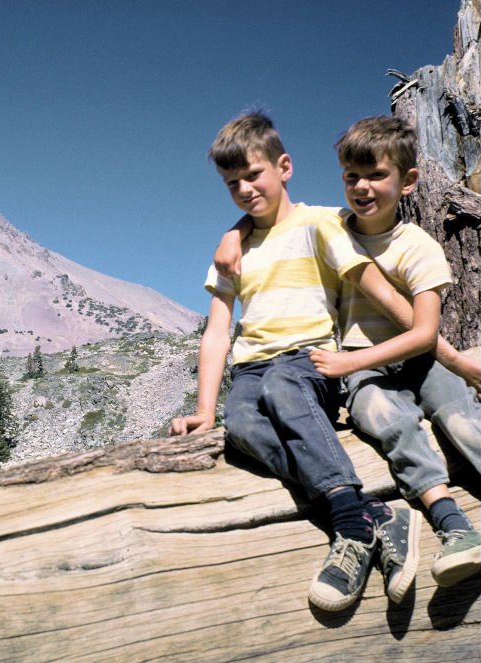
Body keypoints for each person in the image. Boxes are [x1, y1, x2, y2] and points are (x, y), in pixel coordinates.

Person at [170, 112, 425, 612]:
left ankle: (350, 530)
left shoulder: (322, 222)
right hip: (251, 368)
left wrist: (440, 347)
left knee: (284, 386)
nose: (244, 189)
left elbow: (377, 282)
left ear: (284, 166)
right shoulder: (232, 251)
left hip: (310, 361)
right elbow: (218, 332)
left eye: (253, 175)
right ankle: (369, 510)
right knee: (240, 424)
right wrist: (205, 410)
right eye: (231, 184)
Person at [306, 117, 480, 587]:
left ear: (408, 182)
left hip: (409, 360)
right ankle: (454, 526)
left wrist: (347, 362)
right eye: (350, 176)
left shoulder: (418, 248)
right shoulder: (331, 231)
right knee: (390, 421)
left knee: (460, 417)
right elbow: (279, 214)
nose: (361, 187)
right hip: (366, 367)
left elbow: (425, 334)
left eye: (376, 175)